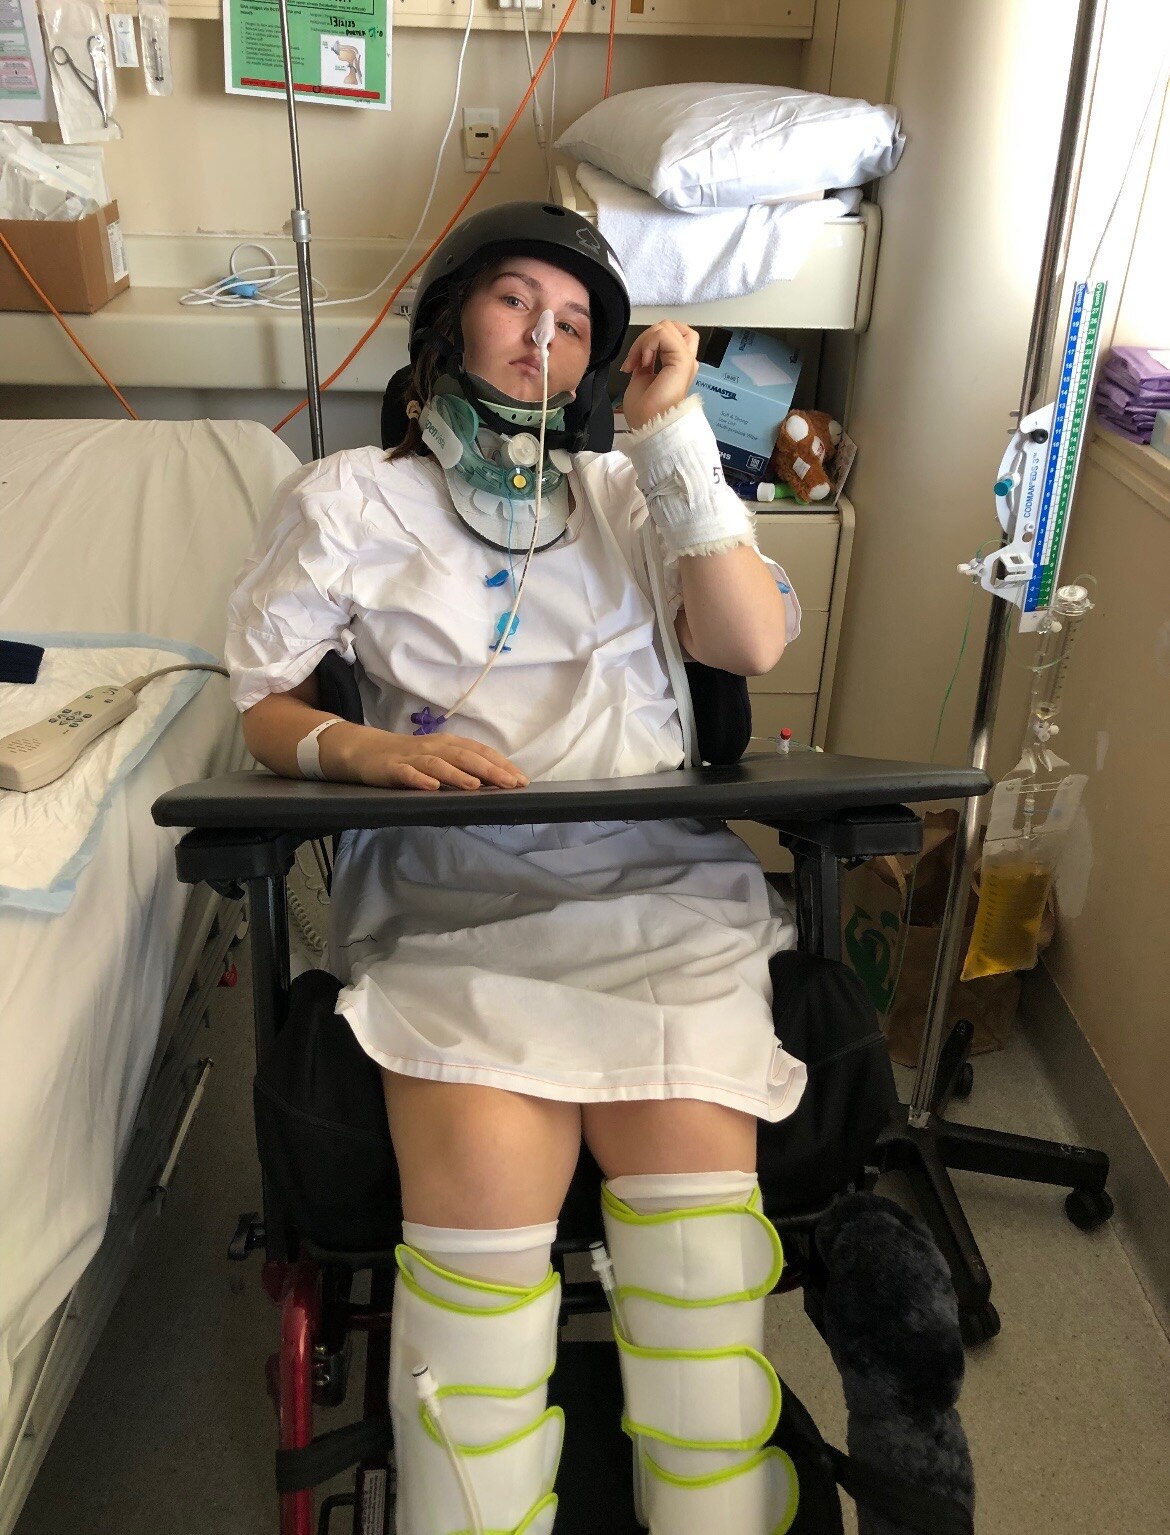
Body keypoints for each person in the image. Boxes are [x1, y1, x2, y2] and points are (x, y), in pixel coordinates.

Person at [227, 202, 806, 1535]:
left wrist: (666, 437)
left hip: (656, 902)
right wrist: (360, 753)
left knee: (698, 1277)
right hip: (451, 907)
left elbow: (747, 643)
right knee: (480, 1245)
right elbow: (260, 705)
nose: (543, 334)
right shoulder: (351, 498)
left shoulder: (634, 492)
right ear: (446, 325)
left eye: (575, 322)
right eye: (513, 302)